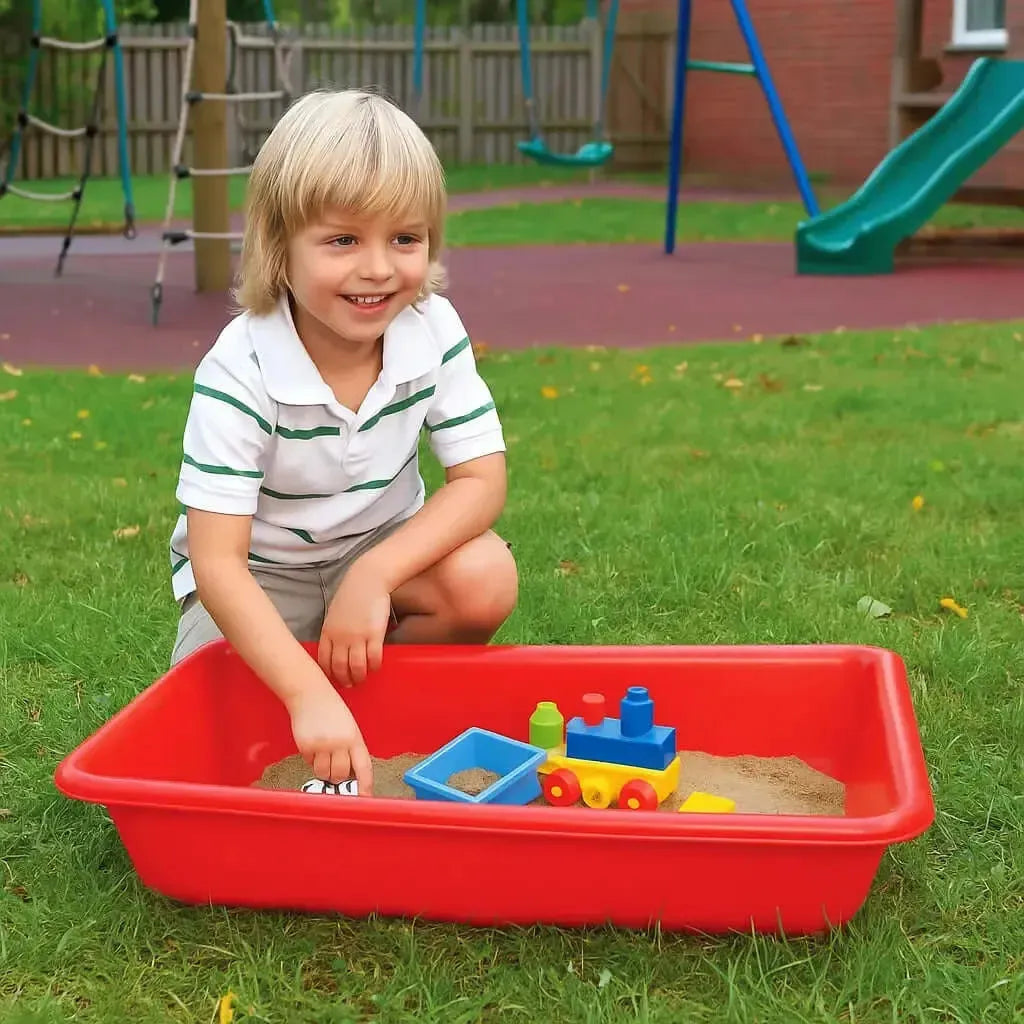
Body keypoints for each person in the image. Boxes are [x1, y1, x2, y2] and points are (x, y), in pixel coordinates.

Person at [166, 89, 517, 798]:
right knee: (207, 723)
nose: (379, 268)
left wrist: (374, 575)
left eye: (405, 239)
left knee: (485, 576)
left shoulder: (432, 327)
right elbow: (218, 563)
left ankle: (376, 693)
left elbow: (482, 480)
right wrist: (303, 694)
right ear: (279, 247)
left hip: (380, 551)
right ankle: (321, 687)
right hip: (262, 575)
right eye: (343, 240)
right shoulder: (240, 369)